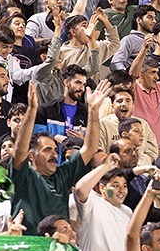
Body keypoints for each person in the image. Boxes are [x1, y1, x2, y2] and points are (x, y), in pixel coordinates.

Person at [11, 80, 112, 235]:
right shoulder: (24, 176)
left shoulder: (62, 175)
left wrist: (93, 110)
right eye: (47, 150)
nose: (54, 154)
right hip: (29, 248)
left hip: (59, 246)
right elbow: (19, 150)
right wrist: (31, 110)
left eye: (55, 150)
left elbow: (90, 148)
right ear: (31, 155)